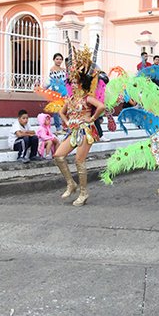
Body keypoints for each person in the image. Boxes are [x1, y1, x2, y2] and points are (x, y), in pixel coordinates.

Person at [54, 45, 106, 206]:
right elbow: (61, 112)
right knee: (58, 156)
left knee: (79, 161)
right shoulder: (70, 100)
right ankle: (71, 183)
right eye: (72, 81)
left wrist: (92, 119)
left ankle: (83, 193)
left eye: (77, 81)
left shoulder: (87, 98)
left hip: (86, 131)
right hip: (73, 131)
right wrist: (67, 121)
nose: (74, 84)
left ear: (82, 83)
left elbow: (101, 106)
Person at [46, 53, 67, 133]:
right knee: (56, 109)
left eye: (60, 59)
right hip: (56, 91)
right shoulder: (52, 70)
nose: (59, 61)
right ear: (54, 60)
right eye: (57, 59)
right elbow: (54, 82)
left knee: (65, 109)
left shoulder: (63, 70)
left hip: (65, 91)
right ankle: (58, 127)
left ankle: (65, 125)